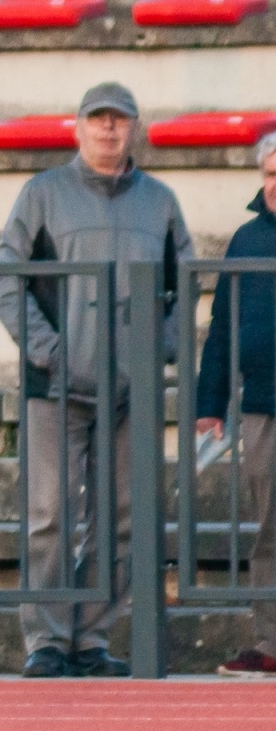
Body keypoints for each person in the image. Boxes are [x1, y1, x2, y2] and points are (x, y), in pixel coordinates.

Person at [0, 82, 193, 678]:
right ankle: (46, 641)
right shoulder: (42, 194)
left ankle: (91, 638)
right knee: (49, 516)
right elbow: (4, 278)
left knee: (124, 520)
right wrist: (50, 352)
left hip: (132, 393)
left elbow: (185, 285)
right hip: (56, 389)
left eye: (119, 119)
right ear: (78, 127)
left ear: (134, 128)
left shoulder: (160, 202)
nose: (108, 128)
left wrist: (159, 350)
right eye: (98, 118)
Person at [196, 133, 276, 677]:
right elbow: (222, 327)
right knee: (270, 529)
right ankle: (272, 642)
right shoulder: (245, 240)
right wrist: (211, 402)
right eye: (270, 174)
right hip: (262, 406)